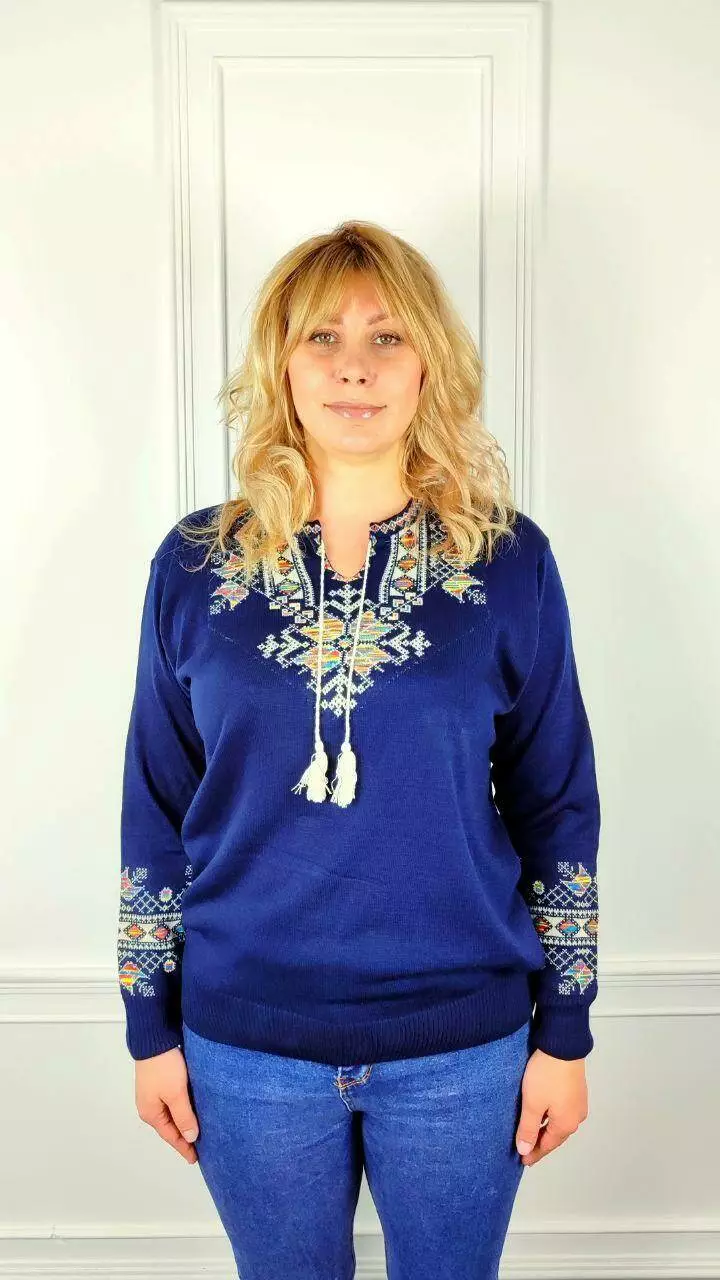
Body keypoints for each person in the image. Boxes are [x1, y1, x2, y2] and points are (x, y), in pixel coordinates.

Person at [117, 220, 601, 1279]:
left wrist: (565, 1030)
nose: (353, 367)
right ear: (281, 365)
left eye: (387, 337)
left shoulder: (508, 561)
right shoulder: (195, 563)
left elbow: (557, 803)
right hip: (245, 1045)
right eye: (322, 338)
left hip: (463, 1045)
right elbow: (157, 806)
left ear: (430, 363)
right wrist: (147, 1026)